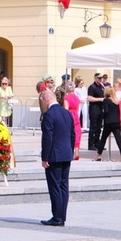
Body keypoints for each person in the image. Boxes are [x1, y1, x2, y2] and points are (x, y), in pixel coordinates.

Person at [39, 89, 75, 226]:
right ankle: (62, 216)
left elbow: (47, 138)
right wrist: (70, 151)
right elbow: (73, 135)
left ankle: (57, 217)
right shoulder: (67, 113)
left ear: (46, 99)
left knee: (55, 186)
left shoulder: (49, 115)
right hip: (66, 154)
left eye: (42, 101)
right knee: (64, 186)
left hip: (54, 155)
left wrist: (45, 157)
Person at [96, 86, 121, 162]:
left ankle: (99, 156)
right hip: (116, 122)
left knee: (103, 139)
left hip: (108, 122)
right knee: (119, 140)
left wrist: (101, 116)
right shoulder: (116, 101)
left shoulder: (106, 100)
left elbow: (106, 111)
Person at [62, 82, 82, 160]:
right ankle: (77, 153)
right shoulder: (77, 98)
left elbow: (66, 109)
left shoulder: (66, 98)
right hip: (76, 116)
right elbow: (77, 109)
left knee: (68, 134)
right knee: (77, 133)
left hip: (69, 116)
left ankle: (70, 152)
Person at [86, 72, 105, 151]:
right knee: (93, 127)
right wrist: (100, 99)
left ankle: (97, 143)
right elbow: (89, 98)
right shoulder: (92, 87)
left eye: (101, 78)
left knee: (99, 127)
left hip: (100, 109)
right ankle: (91, 144)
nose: (101, 79)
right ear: (95, 78)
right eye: (99, 78)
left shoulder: (102, 87)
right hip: (94, 108)